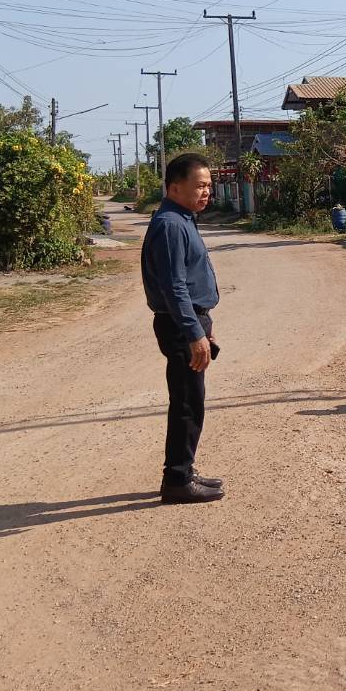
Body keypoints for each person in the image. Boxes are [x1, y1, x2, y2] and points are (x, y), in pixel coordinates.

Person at [141, 152, 224, 504]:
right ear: (175, 187)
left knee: (191, 400)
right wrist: (193, 333)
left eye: (209, 185)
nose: (207, 192)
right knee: (187, 403)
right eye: (200, 185)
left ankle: (184, 469)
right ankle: (176, 480)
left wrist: (205, 325)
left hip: (189, 321)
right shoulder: (171, 225)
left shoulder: (182, 218)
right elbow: (174, 287)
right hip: (179, 326)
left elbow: (189, 282)